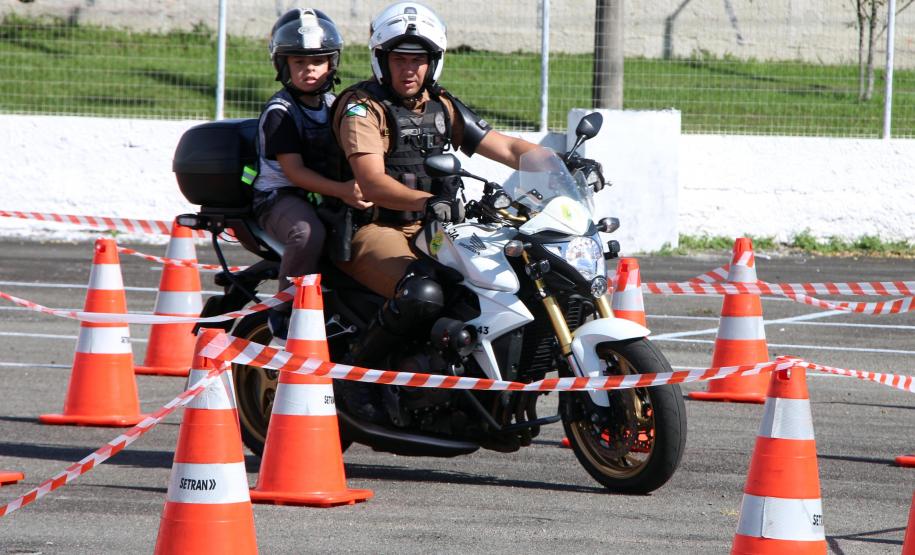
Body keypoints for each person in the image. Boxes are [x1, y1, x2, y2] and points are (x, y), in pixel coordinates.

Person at [331, 2, 540, 418]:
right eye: (400, 59)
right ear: (381, 60)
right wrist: (430, 202)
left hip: (438, 228)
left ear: (433, 64)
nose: (410, 70)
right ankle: (354, 380)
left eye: (419, 60)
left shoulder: (440, 105)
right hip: (375, 229)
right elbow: (371, 182)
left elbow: (506, 147)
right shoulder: (360, 107)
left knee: (506, 279)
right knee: (423, 293)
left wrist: (560, 162)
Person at [252, 8, 372, 342]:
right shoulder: (281, 111)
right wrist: (344, 190)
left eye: (317, 62)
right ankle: (284, 310)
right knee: (307, 233)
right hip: (280, 197)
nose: (309, 70)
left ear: (332, 64)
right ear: (283, 65)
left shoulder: (335, 104)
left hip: (326, 191)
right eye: (299, 63)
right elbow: (295, 172)